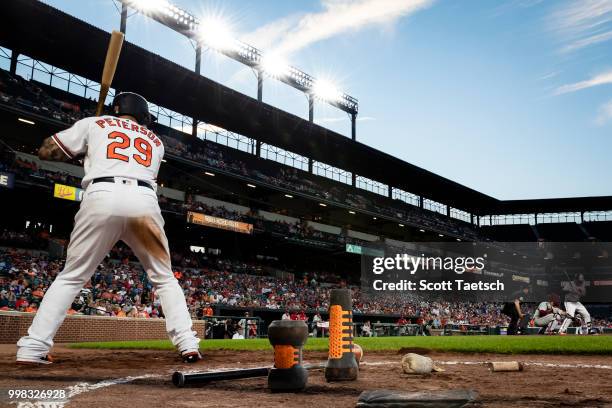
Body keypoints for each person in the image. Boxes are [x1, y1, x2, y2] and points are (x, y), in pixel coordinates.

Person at [16, 93, 201, 364]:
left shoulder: (94, 122)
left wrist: (83, 144)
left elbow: (47, 151)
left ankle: (33, 349)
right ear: (144, 116)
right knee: (164, 277)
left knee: (72, 276)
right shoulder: (156, 141)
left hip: (101, 194)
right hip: (144, 202)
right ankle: (187, 343)